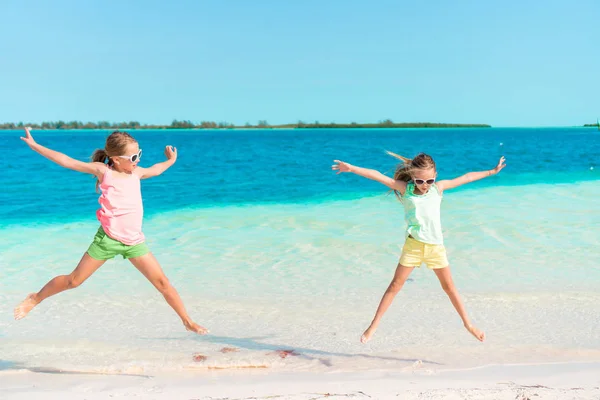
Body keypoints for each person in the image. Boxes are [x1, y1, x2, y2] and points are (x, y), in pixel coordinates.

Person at [14, 128, 208, 335]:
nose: (137, 160)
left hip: (134, 242)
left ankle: (187, 321)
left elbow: (157, 169)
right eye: (133, 157)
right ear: (115, 159)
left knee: (163, 283)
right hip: (107, 239)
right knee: (74, 281)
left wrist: (170, 160)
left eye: (139, 154)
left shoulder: (137, 173)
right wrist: (35, 145)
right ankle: (35, 298)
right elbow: (66, 161)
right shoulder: (104, 171)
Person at [332, 151, 506, 343]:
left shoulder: (438, 189)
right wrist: (351, 168)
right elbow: (377, 175)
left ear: (435, 177)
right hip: (413, 247)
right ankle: (373, 326)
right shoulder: (405, 189)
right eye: (420, 181)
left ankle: (468, 325)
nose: (425, 186)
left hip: (435, 248)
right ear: (413, 177)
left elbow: (466, 177)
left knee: (449, 287)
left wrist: (492, 171)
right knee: (395, 286)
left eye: (429, 181)